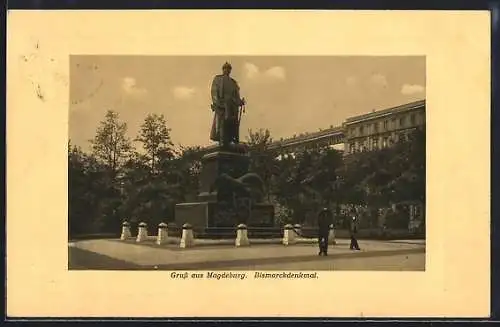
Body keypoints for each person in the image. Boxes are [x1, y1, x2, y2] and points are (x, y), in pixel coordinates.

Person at [210, 62, 246, 148]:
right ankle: (222, 141)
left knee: (231, 124)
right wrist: (217, 103)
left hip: (232, 106)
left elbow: (236, 95)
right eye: (225, 68)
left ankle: (230, 140)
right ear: (223, 69)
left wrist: (240, 102)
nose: (227, 70)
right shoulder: (218, 79)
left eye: (229, 69)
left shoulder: (233, 82)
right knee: (222, 123)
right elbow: (214, 91)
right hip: (222, 105)